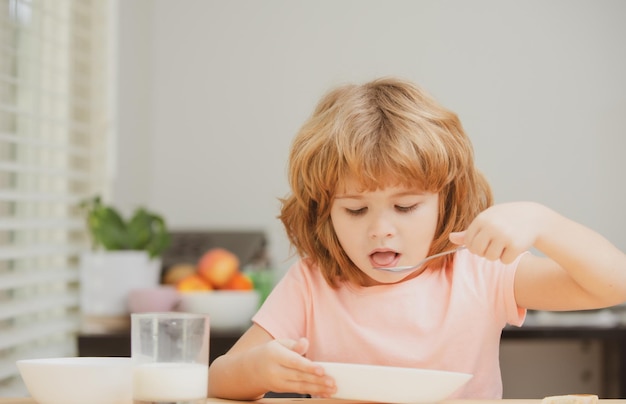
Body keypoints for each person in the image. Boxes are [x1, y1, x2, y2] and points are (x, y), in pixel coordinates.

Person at [208, 77, 626, 399]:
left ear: (445, 201)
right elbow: (218, 379)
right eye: (355, 210)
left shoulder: (478, 273)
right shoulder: (311, 284)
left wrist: (545, 223)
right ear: (325, 212)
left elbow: (613, 284)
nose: (380, 229)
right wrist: (257, 371)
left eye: (405, 207)